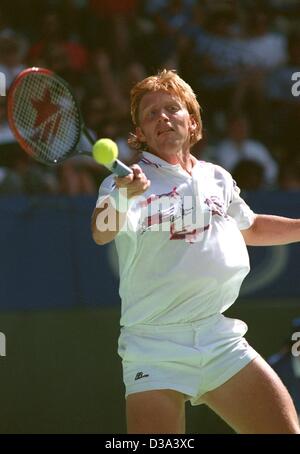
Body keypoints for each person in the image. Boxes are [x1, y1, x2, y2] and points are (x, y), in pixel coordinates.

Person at [91, 69, 300, 434]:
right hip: (153, 346)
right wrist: (124, 196)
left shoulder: (216, 176)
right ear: (140, 133)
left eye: (172, 108)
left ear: (193, 121)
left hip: (219, 338)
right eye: (151, 114)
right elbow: (100, 232)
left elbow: (250, 227)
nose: (163, 118)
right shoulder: (123, 182)